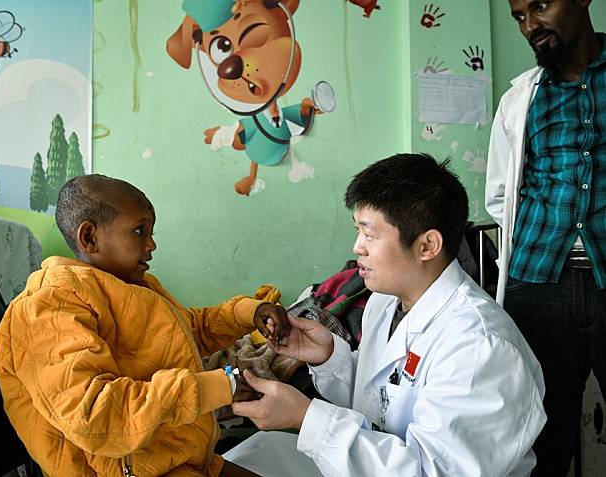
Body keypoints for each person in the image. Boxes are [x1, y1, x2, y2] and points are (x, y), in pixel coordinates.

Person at [227, 153, 546, 477]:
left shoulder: (480, 347)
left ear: (427, 246)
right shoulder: (384, 302)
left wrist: (306, 419)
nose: (357, 247)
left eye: (370, 234)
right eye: (358, 231)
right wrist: (329, 359)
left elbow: (430, 471)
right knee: (250, 456)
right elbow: (383, 400)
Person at [0, 174, 289, 477]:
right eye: (139, 231)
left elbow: (187, 330)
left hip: (170, 453)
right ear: (90, 238)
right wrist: (220, 386)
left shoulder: (132, 286)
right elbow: (96, 415)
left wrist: (248, 312)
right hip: (123, 470)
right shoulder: (48, 306)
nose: (152, 244)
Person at [485, 1, 605, 474]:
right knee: (539, 436)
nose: (530, 25)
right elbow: (500, 194)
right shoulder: (523, 98)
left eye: (540, 5)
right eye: (518, 16)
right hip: (536, 286)